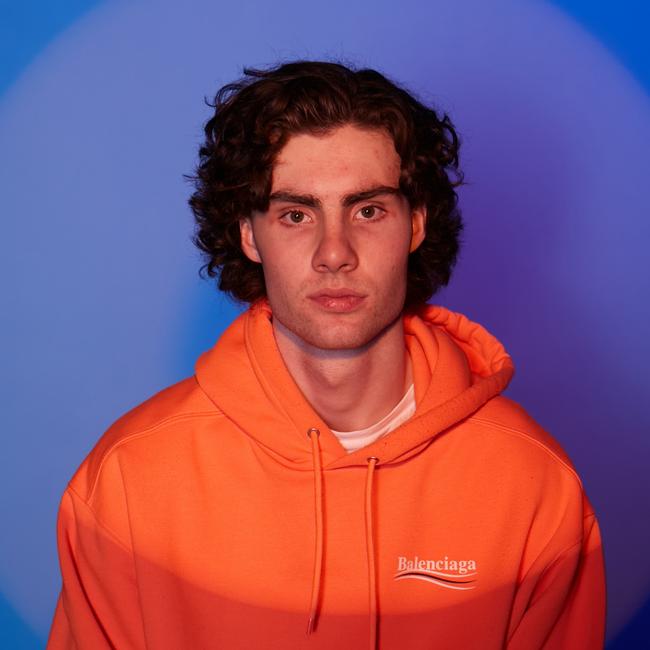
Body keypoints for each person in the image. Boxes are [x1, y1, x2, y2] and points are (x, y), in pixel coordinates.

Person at [46, 60, 606, 649]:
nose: (333, 253)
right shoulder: (129, 480)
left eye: (367, 210)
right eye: (295, 214)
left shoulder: (535, 484)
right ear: (247, 234)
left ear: (415, 225)